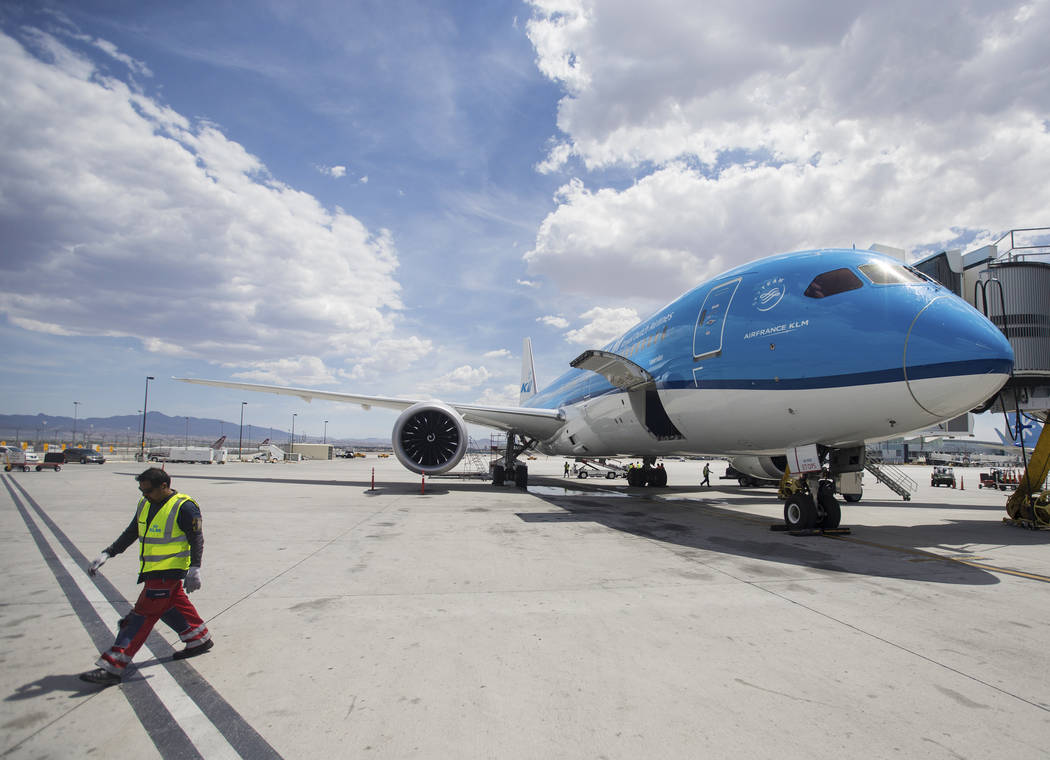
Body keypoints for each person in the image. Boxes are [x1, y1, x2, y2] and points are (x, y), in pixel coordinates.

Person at [79, 468, 213, 685]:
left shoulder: (184, 506)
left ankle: (114, 665)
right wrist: (108, 552)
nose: (144, 495)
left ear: (164, 486)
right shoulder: (146, 503)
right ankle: (198, 638)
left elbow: (196, 538)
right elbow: (133, 531)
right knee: (170, 606)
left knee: (139, 618)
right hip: (152, 571)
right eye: (141, 491)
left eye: (148, 490)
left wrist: (195, 568)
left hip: (168, 571)